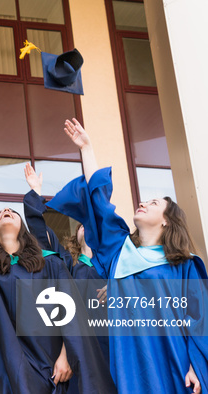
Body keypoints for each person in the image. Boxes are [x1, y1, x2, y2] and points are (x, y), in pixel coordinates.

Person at [0, 120, 115, 394]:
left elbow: (68, 316)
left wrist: (65, 355)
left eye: (12, 211)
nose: (6, 211)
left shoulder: (49, 264)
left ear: (24, 228)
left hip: (44, 365)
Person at [47, 118, 207, 394]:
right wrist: (87, 149)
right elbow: (100, 206)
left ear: (167, 221)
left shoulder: (184, 264)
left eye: (154, 203)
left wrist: (198, 366)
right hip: (132, 362)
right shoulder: (121, 254)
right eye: (145, 201)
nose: (143, 203)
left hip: (175, 358)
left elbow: (200, 319)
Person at [22, 163, 110, 394]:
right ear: (76, 234)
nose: (86, 228)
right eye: (81, 225)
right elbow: (41, 233)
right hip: (80, 343)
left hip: (114, 339)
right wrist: (35, 192)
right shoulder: (67, 264)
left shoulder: (114, 263)